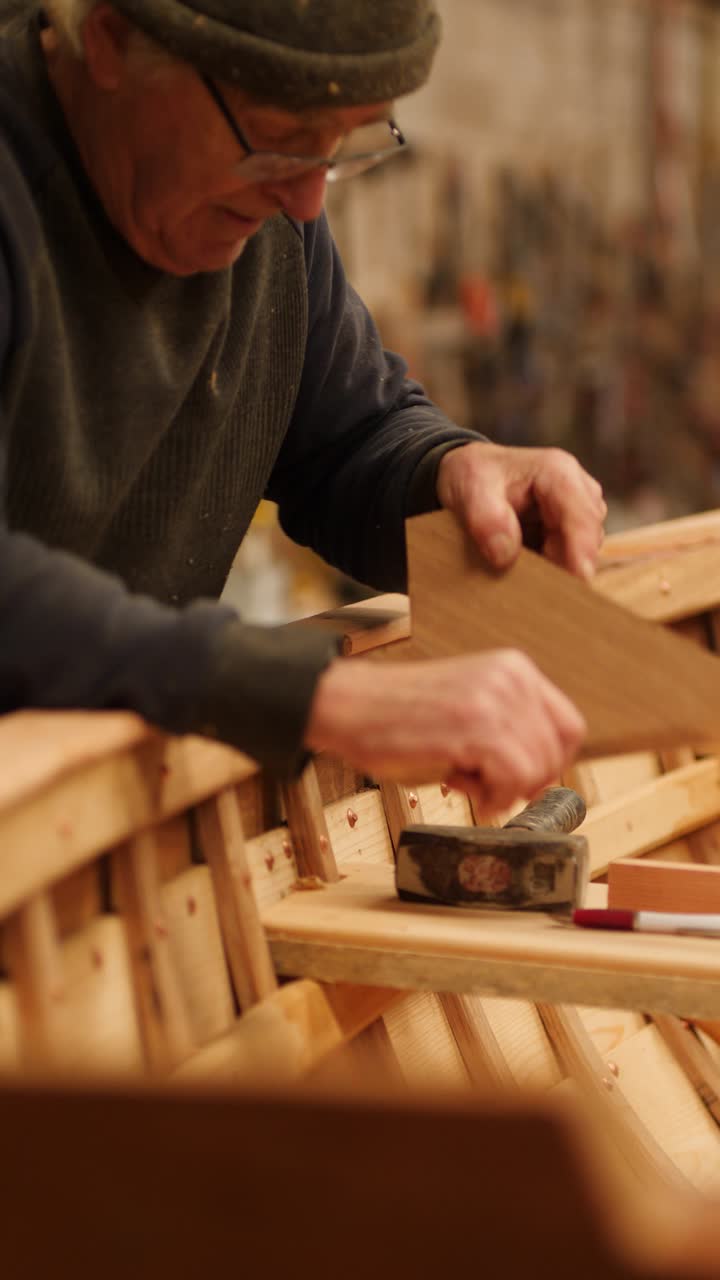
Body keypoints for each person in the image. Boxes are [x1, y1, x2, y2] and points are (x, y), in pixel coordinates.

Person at [0, 0, 606, 814]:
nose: (307, 200)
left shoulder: (260, 215)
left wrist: (449, 473)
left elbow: (349, 435)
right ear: (109, 38)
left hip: (72, 814)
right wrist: (304, 695)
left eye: (345, 141)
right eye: (278, 133)